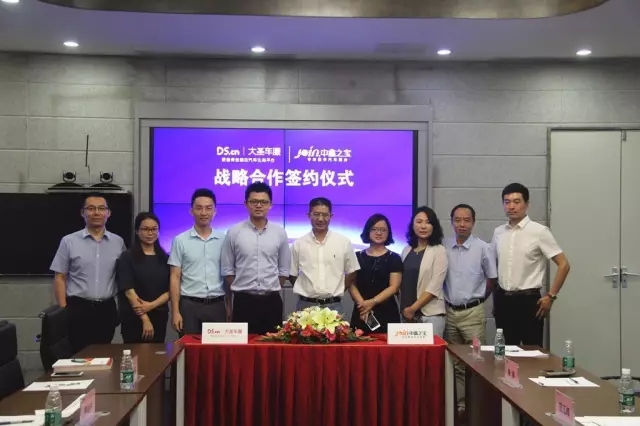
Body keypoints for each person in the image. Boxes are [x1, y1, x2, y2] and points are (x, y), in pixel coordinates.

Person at [492, 183, 570, 346]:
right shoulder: (498, 232)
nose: (511, 206)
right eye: (507, 202)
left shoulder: (539, 231)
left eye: (516, 201)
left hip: (528, 301)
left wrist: (551, 296)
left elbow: (564, 264)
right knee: (506, 351)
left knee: (532, 352)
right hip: (503, 300)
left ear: (527, 204)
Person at [50, 193, 125, 353]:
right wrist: (63, 310)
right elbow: (60, 277)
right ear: (82, 213)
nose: (96, 212)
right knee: (78, 357)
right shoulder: (69, 241)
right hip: (77, 308)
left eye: (101, 208)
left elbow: (122, 276)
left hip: (106, 309)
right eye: (91, 208)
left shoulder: (118, 242)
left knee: (103, 356)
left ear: (108, 213)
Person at [443, 204, 497, 412]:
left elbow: (492, 280)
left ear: (473, 222)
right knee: (456, 363)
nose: (462, 224)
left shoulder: (483, 248)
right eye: (457, 220)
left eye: (466, 220)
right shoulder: (444, 246)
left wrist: (479, 299)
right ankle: (461, 406)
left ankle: (479, 407)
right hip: (450, 312)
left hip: (473, 313)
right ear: (451, 222)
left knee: (477, 361)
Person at [221, 182, 291, 335]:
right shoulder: (234, 232)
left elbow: (284, 271)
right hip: (243, 302)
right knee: (243, 346)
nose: (259, 205)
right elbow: (227, 270)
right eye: (254, 201)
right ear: (246, 204)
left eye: (263, 202)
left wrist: (268, 287)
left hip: (271, 301)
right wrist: (244, 287)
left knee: (271, 346)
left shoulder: (280, 233)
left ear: (270, 205)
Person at [169, 188, 226, 335]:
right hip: (189, 306)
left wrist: (229, 306)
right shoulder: (180, 240)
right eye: (199, 208)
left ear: (215, 212)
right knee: (188, 347)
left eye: (208, 208)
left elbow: (228, 274)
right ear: (191, 211)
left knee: (216, 348)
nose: (203, 213)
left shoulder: (224, 240)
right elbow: (175, 277)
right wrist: (175, 311)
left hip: (217, 305)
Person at [289, 197, 360, 314]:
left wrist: (338, 289)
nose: (321, 219)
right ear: (309, 215)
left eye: (325, 215)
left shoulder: (343, 242)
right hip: (305, 306)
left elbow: (352, 272)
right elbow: (292, 274)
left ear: (331, 216)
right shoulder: (299, 244)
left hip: (334, 305)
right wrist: (306, 290)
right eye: (316, 214)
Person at [116, 212, 170, 343]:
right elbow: (129, 291)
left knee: (157, 354)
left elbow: (171, 290)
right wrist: (145, 318)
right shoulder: (127, 257)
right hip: (134, 317)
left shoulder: (165, 258)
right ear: (137, 231)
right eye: (145, 229)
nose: (150, 233)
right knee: (134, 354)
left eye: (154, 229)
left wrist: (151, 305)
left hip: (159, 316)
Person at [348, 213, 402, 334]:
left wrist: (372, 302)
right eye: (374, 229)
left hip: (386, 311)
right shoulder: (357, 256)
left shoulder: (394, 258)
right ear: (368, 231)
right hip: (361, 310)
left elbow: (394, 287)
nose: (379, 233)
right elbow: (351, 284)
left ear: (388, 233)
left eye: (383, 230)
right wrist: (363, 304)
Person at [399, 206, 448, 337]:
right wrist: (407, 310)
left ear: (434, 226)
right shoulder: (406, 250)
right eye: (419, 222)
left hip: (430, 316)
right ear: (412, 225)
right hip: (406, 315)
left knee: (431, 351)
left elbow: (435, 286)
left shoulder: (439, 250)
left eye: (428, 222)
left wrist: (413, 308)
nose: (423, 226)